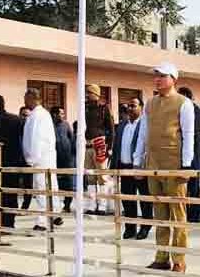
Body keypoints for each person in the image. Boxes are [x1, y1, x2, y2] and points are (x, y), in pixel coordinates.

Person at [134, 62, 196, 273]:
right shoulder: (150, 104)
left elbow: (188, 136)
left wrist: (186, 166)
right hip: (153, 165)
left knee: (178, 215)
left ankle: (179, 259)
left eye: (162, 76)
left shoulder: (183, 103)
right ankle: (161, 256)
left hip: (174, 166)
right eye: (156, 76)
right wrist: (138, 162)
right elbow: (143, 134)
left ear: (173, 79)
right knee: (159, 214)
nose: (157, 79)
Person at [110, 96, 151, 240]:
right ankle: (130, 228)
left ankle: (145, 227)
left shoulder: (145, 125)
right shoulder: (122, 125)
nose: (130, 108)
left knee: (144, 199)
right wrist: (113, 167)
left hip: (140, 168)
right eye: (129, 106)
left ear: (141, 107)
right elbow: (116, 147)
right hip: (124, 167)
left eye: (134, 105)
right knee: (127, 199)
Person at [21, 88, 60, 231]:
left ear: (32, 98)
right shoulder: (37, 115)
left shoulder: (39, 115)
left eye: (25, 98)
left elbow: (36, 139)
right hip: (43, 157)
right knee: (49, 186)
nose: (24, 101)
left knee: (42, 188)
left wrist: (31, 158)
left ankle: (42, 221)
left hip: (40, 158)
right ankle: (55, 213)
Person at [0, 94, 26, 233]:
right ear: (3, 104)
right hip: (13, 161)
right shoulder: (16, 120)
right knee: (11, 194)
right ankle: (9, 224)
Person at [78, 84, 115, 214]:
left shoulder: (104, 108)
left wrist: (109, 147)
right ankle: (91, 205)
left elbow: (111, 129)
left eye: (89, 92)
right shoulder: (84, 108)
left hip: (100, 145)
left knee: (102, 177)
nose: (87, 95)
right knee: (90, 177)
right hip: (87, 146)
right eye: (86, 92)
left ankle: (103, 206)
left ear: (96, 94)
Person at [178, 86, 200, 224]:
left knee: (193, 183)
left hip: (193, 148)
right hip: (183, 149)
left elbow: (191, 132)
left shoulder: (195, 110)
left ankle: (194, 214)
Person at [51, 107, 76, 213]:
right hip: (55, 159)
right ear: (54, 114)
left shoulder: (66, 125)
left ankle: (67, 204)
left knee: (69, 184)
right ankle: (56, 205)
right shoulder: (49, 125)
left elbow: (72, 138)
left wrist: (73, 154)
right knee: (55, 183)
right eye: (61, 113)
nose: (63, 115)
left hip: (67, 159)